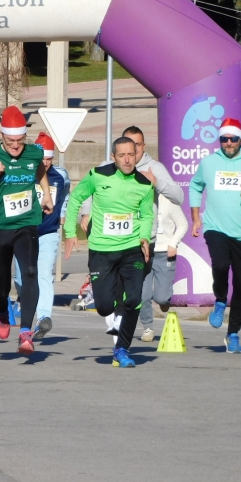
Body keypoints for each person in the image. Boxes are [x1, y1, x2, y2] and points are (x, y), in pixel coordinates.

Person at [80, 126, 185, 342]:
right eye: (127, 148)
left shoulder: (155, 167)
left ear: (143, 147)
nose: (131, 153)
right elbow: (91, 188)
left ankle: (130, 330)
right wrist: (86, 213)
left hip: (144, 239)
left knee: (138, 293)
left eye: (136, 146)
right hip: (111, 241)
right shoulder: (108, 167)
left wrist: (157, 183)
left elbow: (179, 196)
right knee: (122, 291)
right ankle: (126, 328)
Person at [0, 106, 54, 355]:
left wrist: (46, 194)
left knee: (29, 271)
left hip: (26, 223)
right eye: (10, 141)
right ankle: (2, 311)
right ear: (1, 136)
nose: (16, 146)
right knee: (1, 286)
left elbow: (38, 169)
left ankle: (26, 331)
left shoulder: (35, 153)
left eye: (20, 141)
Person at [64, 136, 153, 368]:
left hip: (131, 249)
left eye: (131, 155)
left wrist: (144, 237)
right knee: (104, 306)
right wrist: (70, 233)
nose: (127, 159)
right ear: (113, 157)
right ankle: (111, 305)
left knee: (134, 299)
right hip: (101, 251)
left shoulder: (144, 184)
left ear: (138, 155)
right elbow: (75, 198)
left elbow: (147, 215)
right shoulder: (98, 175)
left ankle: (122, 349)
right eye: (121, 155)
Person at [189, 118, 241, 354]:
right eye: (224, 139)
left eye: (232, 139)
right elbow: (195, 186)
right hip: (215, 227)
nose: (228, 143)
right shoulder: (209, 162)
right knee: (220, 263)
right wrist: (196, 216)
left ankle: (233, 333)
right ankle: (220, 299)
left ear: (240, 140)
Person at [13, 132, 69, 339]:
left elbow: (67, 193)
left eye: (49, 159)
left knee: (44, 274)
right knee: (22, 278)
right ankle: (25, 298)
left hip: (47, 233)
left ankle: (44, 317)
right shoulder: (24, 173)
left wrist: (62, 213)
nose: (45, 163)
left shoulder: (60, 175)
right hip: (22, 233)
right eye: (42, 159)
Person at [138, 194, 188, 338]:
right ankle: (148, 328)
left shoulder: (169, 201)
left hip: (164, 253)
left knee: (162, 298)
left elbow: (183, 224)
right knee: (143, 295)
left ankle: (164, 299)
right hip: (144, 253)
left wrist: (173, 244)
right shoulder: (138, 199)